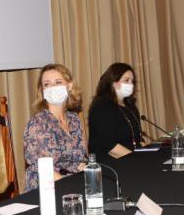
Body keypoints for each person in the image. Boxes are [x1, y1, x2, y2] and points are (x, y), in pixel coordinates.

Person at [23, 63, 88, 192]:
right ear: (42, 91)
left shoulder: (74, 119)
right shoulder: (38, 123)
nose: (52, 87)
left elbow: (80, 160)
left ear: (69, 86)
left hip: (72, 185)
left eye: (58, 82)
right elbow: (46, 171)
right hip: (46, 190)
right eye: (47, 84)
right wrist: (74, 190)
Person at [88, 63, 143, 159]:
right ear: (113, 82)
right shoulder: (101, 108)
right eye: (126, 80)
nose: (131, 84)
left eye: (132, 81)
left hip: (131, 158)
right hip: (111, 162)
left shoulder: (131, 107)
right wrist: (136, 159)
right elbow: (109, 146)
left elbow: (137, 139)